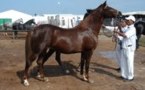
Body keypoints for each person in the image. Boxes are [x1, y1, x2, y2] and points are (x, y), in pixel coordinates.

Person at [114, 15, 136, 81]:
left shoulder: (133, 29)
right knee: (123, 63)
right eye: (126, 20)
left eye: (128, 20)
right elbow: (122, 37)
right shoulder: (127, 28)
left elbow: (125, 35)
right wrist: (117, 36)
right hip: (124, 47)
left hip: (129, 48)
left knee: (129, 63)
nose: (126, 21)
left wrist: (117, 32)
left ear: (132, 21)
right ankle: (124, 75)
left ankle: (130, 77)